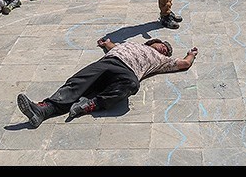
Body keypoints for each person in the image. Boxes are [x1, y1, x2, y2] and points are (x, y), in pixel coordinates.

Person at [16, 37, 198, 128]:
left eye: (166, 50)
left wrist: (191, 54)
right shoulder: (131, 44)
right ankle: (42, 110)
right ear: (152, 42)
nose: (163, 49)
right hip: (108, 62)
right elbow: (111, 46)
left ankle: (92, 104)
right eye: (162, 45)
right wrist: (106, 43)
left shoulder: (160, 60)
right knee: (77, 84)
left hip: (128, 72)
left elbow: (183, 64)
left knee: (132, 85)